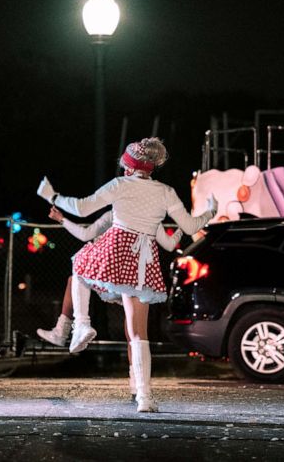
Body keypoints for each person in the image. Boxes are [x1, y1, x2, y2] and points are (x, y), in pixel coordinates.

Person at [37, 137, 216, 412]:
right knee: (137, 332)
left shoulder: (120, 185)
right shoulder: (165, 192)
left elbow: (83, 208)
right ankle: (144, 397)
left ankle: (81, 325)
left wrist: (53, 197)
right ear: (152, 167)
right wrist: (211, 212)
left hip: (117, 250)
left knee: (79, 264)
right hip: (143, 262)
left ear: (129, 166)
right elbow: (188, 228)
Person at [36, 206, 182, 399]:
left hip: (113, 275)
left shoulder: (120, 212)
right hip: (133, 277)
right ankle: (137, 385)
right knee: (135, 332)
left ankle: (71, 328)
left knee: (77, 275)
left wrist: (63, 218)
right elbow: (167, 242)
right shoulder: (142, 211)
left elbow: (85, 232)